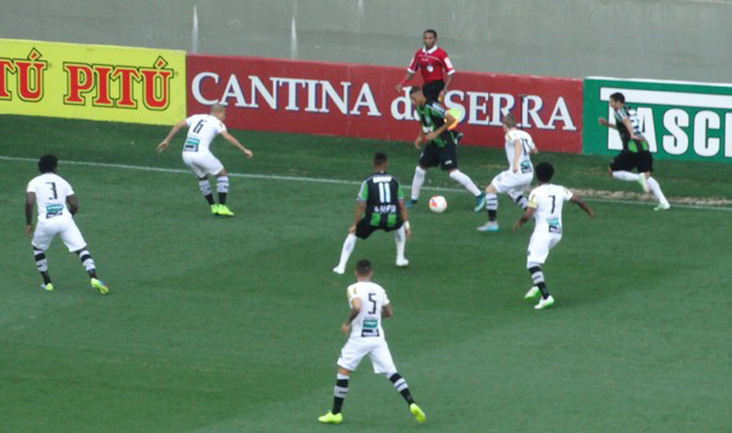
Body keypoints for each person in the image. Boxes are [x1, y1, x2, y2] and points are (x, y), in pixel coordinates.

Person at [318, 259, 426, 425]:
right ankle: (411, 403)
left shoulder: (352, 288)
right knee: (392, 372)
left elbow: (357, 306)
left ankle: (336, 413)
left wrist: (347, 323)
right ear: (371, 273)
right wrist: (375, 317)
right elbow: (389, 312)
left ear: (356, 273)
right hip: (377, 337)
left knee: (344, 371)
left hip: (359, 338)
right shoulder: (379, 289)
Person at [512, 162, 594, 310]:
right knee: (537, 258)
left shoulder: (536, 193)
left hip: (543, 232)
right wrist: (589, 211)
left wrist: (520, 221)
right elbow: (578, 200)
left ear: (537, 176)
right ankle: (536, 286)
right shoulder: (560, 189)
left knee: (532, 263)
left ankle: (545, 296)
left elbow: (528, 213)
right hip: (557, 233)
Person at [25, 155, 109, 294]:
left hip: (46, 222)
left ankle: (47, 282)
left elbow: (29, 202)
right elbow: (75, 205)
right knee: (81, 249)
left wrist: (29, 223)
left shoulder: (34, 182)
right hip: (65, 221)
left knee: (38, 248)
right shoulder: (63, 182)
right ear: (55, 167)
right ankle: (93, 277)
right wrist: (67, 218)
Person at [156, 103, 253, 217]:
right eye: (224, 114)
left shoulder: (196, 117)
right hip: (201, 154)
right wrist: (243, 149)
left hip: (186, 155)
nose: (224, 117)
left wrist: (167, 140)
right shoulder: (217, 123)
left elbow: (178, 125)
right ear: (218, 113)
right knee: (222, 175)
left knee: (202, 177)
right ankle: (221, 206)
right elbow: (227, 137)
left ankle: (213, 206)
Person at [406, 87, 484, 211]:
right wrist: (420, 137)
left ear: (420, 95)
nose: (413, 102)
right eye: (411, 100)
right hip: (433, 144)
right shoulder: (418, 108)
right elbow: (423, 122)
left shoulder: (433, 106)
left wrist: (436, 133)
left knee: (453, 173)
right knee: (420, 169)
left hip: (445, 143)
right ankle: (413, 200)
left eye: (414, 99)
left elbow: (451, 119)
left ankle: (479, 195)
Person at [333, 153, 410, 274]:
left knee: (352, 234)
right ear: (386, 164)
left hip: (373, 219)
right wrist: (407, 226)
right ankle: (400, 258)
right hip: (392, 218)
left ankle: (341, 267)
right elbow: (401, 205)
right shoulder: (395, 181)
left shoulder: (368, 182)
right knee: (399, 226)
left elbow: (361, 205)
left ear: (373, 164)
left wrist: (355, 224)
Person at [599, 92, 670, 211]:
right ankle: (664, 203)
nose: (610, 104)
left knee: (612, 170)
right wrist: (607, 124)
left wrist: (631, 134)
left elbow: (626, 121)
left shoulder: (619, 111)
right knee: (647, 176)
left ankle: (638, 178)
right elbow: (624, 126)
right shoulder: (630, 110)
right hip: (643, 144)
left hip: (632, 146)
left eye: (611, 101)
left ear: (617, 102)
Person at [477, 113, 538, 232]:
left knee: (490, 190)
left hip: (517, 172)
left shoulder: (509, 134)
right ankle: (536, 216)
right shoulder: (526, 134)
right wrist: (523, 156)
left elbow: (517, 144)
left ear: (505, 126)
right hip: (529, 172)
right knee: (513, 194)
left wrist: (515, 163)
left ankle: (492, 223)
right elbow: (535, 150)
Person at [396, 29, 455, 104]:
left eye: (430, 38)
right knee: (423, 106)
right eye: (425, 38)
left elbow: (451, 73)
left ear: (435, 39)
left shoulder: (441, 54)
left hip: (437, 85)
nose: (428, 41)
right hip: (427, 85)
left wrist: (444, 89)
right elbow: (411, 71)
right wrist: (402, 83)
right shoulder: (419, 54)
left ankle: (446, 115)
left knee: (429, 106)